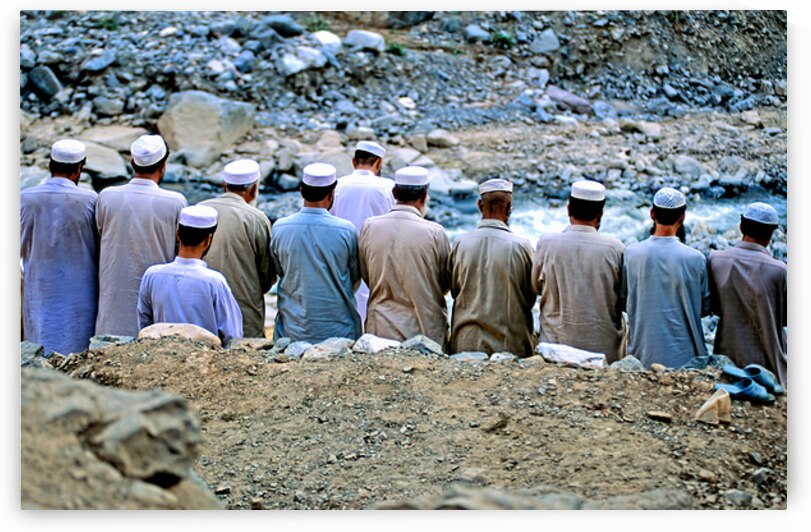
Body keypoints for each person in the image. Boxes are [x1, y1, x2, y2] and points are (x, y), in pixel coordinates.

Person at [95, 134, 188, 337]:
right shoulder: (175, 202)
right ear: (163, 166)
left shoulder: (107, 196)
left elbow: (100, 234)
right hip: (156, 295)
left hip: (113, 295)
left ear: (132, 163)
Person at [532, 180, 625, 363]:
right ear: (601, 213)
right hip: (605, 353)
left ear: (568, 210)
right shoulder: (616, 249)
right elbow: (625, 300)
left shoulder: (547, 244)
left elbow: (535, 287)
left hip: (554, 348)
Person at [20, 139, 99, 355]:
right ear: (79, 168)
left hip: (39, 288)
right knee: (76, 352)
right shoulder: (90, 199)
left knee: (38, 346)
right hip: (81, 293)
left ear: (50, 165)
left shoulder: (25, 197)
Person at [359, 166, 451, 348]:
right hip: (425, 331)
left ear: (394, 193)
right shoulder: (434, 232)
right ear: (424, 197)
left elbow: (366, 274)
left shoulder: (369, 226)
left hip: (380, 330)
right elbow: (445, 283)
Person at [270, 163, 362, 343]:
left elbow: (279, 270)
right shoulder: (346, 230)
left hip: (292, 330)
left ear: (301, 191)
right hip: (340, 332)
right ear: (332, 194)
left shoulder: (280, 227)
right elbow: (355, 277)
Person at [623, 187, 710, 368]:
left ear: (652, 214)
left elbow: (625, 299)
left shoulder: (631, 253)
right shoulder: (696, 259)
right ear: (682, 217)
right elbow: (704, 308)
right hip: (689, 360)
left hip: (642, 355)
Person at [449, 179, 536, 357]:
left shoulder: (460, 243)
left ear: (480, 205)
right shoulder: (522, 246)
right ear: (509, 206)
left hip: (465, 343)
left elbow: (453, 289)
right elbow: (531, 295)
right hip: (511, 346)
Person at [137, 205, 243, 346]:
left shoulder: (152, 275)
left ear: (178, 234)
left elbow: (145, 325)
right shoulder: (214, 282)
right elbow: (232, 335)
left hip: (161, 356)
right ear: (208, 240)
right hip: (204, 362)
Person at [708, 202, 787, 387]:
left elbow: (713, 307)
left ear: (741, 226)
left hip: (727, 361)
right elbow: (785, 319)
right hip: (769, 365)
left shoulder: (716, 260)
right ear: (770, 235)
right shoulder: (779, 270)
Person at [200, 159, 275, 338]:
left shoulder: (200, 209)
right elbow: (267, 276)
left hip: (202, 306)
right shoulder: (257, 218)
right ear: (253, 189)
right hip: (244, 312)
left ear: (224, 186)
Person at [329, 141, 395, 323]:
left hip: (341, 254)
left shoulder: (337, 186)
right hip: (377, 257)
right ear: (379, 163)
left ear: (353, 161)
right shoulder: (387, 187)